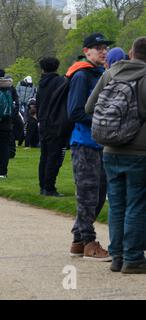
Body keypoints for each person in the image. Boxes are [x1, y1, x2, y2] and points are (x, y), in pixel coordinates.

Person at [85, 37, 146, 273]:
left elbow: (90, 107)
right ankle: (133, 258)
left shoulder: (110, 73)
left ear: (131, 53)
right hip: (139, 151)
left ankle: (118, 256)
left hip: (110, 149)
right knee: (137, 204)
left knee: (118, 204)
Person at [67, 32, 113, 261]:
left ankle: (78, 239)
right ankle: (88, 242)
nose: (103, 51)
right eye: (98, 47)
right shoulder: (82, 75)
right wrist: (103, 121)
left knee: (98, 193)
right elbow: (75, 111)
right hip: (84, 143)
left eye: (105, 47)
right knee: (88, 195)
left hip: (98, 143)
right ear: (87, 51)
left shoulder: (100, 73)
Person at [37, 57, 67, 197]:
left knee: (45, 155)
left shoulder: (41, 83)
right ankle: (49, 187)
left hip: (43, 122)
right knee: (54, 157)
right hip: (55, 122)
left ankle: (43, 185)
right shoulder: (61, 82)